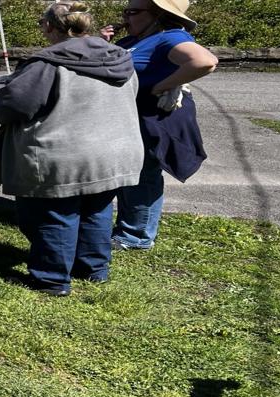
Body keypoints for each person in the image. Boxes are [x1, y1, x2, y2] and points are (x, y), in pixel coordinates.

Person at [0, 2, 140, 296]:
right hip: (115, 152)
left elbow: (15, 107)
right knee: (96, 210)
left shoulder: (47, 63)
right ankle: (93, 269)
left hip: (63, 154)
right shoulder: (120, 58)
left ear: (48, 26)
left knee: (53, 215)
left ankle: (51, 279)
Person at [106, 0, 216, 251]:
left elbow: (204, 61)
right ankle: (129, 229)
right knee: (131, 173)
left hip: (154, 118)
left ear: (158, 15)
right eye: (125, 11)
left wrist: (160, 86)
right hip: (135, 116)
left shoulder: (170, 37)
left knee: (142, 175)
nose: (126, 17)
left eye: (133, 12)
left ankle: (136, 237)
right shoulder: (138, 38)